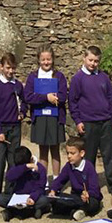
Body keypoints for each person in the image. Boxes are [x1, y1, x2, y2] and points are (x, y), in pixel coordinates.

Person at [68, 46, 112, 206]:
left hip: (105, 121)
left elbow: (111, 99)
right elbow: (73, 102)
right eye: (90, 60)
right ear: (84, 59)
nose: (93, 63)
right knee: (88, 158)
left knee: (110, 156)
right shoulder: (78, 79)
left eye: (96, 61)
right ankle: (87, 187)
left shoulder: (104, 77)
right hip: (88, 123)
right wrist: (78, 121)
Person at [24, 48, 68, 177]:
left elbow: (63, 96)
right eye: (43, 59)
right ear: (38, 60)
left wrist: (55, 98)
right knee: (43, 151)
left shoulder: (59, 76)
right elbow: (28, 96)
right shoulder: (33, 77)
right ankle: (43, 181)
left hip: (55, 117)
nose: (46, 62)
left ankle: (56, 180)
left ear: (53, 59)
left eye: (48, 59)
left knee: (55, 150)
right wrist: (46, 97)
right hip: (40, 116)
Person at [0, 53, 26, 194]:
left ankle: (10, 189)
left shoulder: (17, 85)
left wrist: (22, 112)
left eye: (13, 68)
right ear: (1, 67)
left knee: (13, 159)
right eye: (8, 67)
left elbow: (24, 101)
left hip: (15, 127)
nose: (11, 71)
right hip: (2, 127)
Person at [48, 137, 102, 221]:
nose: (69, 156)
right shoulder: (68, 166)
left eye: (72, 153)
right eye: (67, 153)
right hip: (75, 197)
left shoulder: (89, 167)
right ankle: (75, 211)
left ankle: (80, 210)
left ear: (82, 153)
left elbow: (95, 189)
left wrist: (88, 193)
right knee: (52, 196)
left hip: (89, 198)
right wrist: (53, 190)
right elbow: (60, 180)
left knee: (93, 205)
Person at [0, 146, 49, 222]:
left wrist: (33, 198)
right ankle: (31, 212)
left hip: (32, 197)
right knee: (0, 198)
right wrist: (25, 167)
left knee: (44, 200)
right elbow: (9, 177)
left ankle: (13, 212)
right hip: (18, 197)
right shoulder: (19, 166)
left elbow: (40, 187)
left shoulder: (40, 169)